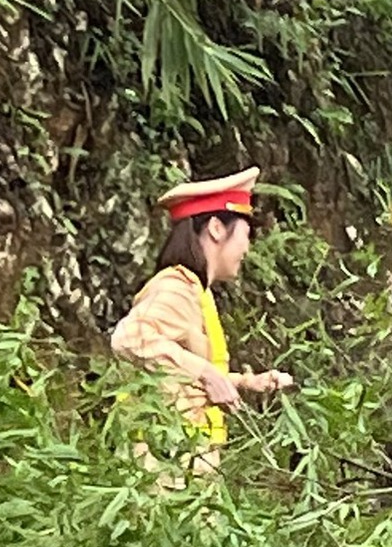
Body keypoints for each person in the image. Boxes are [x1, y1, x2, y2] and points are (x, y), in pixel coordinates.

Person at [110, 167, 294, 458]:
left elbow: (178, 372)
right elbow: (129, 338)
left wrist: (247, 383)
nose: (247, 247)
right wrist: (208, 373)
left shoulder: (197, 291)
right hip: (163, 474)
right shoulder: (176, 287)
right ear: (217, 228)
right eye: (246, 233)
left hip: (185, 469)